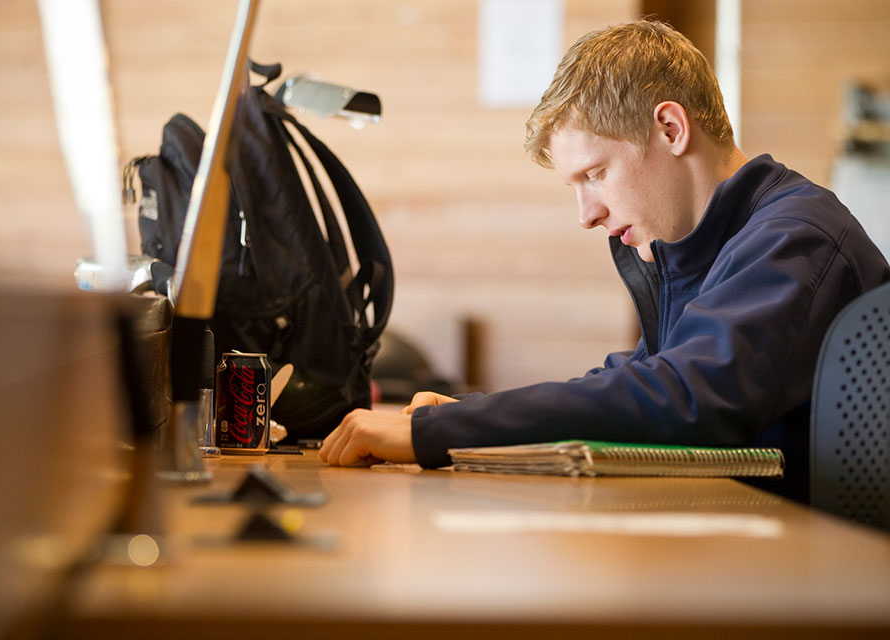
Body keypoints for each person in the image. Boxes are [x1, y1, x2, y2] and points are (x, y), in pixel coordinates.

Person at [318, 20, 890, 501]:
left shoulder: (797, 238)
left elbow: (683, 399)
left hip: (830, 572)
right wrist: (472, 415)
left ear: (670, 128)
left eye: (595, 174)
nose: (587, 214)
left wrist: (441, 431)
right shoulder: (709, 244)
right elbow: (636, 383)